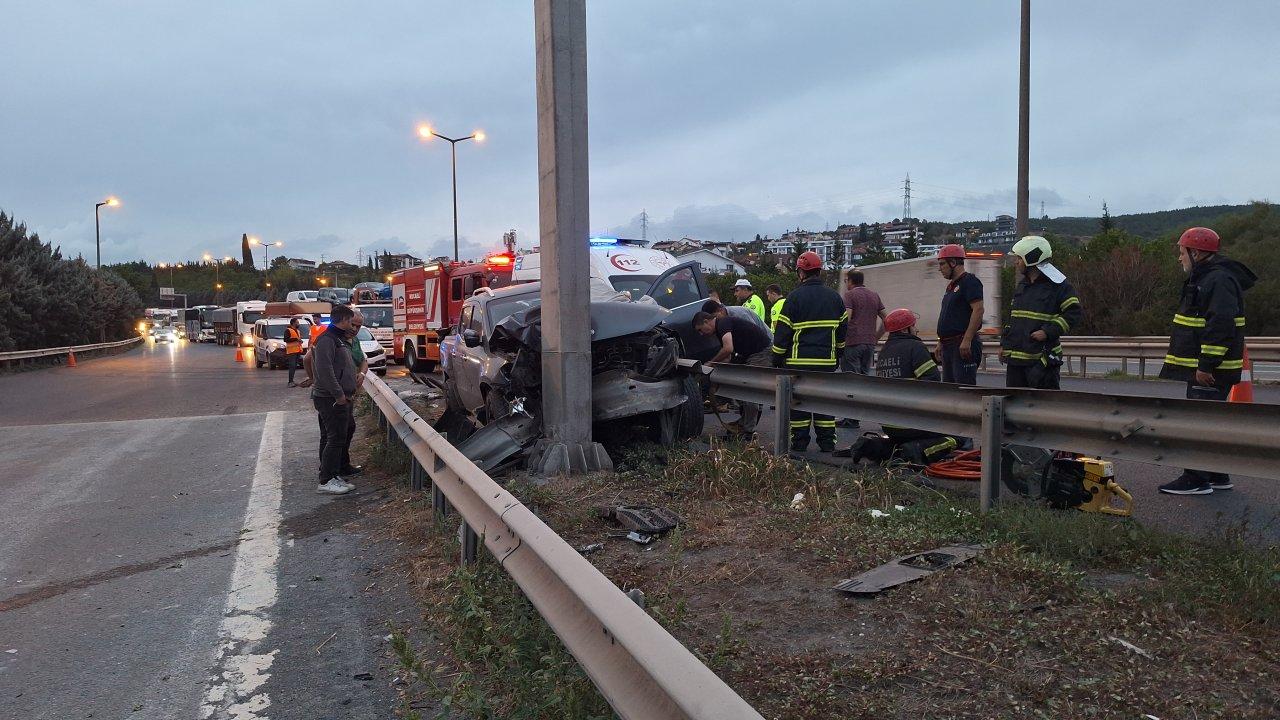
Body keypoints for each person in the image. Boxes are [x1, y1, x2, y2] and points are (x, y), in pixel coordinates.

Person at [1157, 227, 1256, 495]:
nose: (1180, 258)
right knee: (1209, 420)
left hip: (1211, 370)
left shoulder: (1217, 280)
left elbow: (1220, 325)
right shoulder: (1208, 278)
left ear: (1196, 252)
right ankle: (1216, 474)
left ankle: (1196, 478)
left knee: (1198, 421)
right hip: (1209, 367)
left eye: (1182, 252)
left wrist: (1205, 365)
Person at [836, 308, 960, 463]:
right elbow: (933, 382)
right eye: (913, 326)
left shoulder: (884, 352)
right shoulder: (916, 347)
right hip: (913, 421)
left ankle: (871, 446)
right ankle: (918, 451)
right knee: (957, 437)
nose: (916, 329)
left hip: (890, 424)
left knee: (900, 443)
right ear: (905, 329)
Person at [771, 251, 847, 452]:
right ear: (819, 271)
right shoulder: (835, 298)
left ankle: (800, 443)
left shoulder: (794, 298)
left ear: (801, 272)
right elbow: (842, 332)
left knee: (799, 403)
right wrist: (838, 354)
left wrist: (777, 358)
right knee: (824, 403)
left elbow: (782, 333)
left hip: (798, 363)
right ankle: (827, 444)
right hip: (826, 363)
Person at [1001, 236, 1082, 390]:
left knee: (1043, 408)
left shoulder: (1059, 286)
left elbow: (1074, 314)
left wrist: (1047, 332)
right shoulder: (1023, 285)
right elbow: (1013, 319)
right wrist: (1004, 345)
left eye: (1019, 258)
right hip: (1016, 362)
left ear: (1031, 259)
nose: (1016, 262)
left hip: (1042, 362)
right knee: (1015, 409)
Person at [694, 310, 773, 436]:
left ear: (706, 321)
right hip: (750, 354)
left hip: (761, 353)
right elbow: (728, 357)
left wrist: (711, 362)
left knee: (749, 389)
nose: (701, 334)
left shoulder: (722, 323)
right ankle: (744, 423)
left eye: (700, 329)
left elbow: (728, 348)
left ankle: (748, 430)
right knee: (738, 384)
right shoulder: (721, 329)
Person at [309, 304, 358, 495]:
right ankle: (326, 479)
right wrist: (338, 394)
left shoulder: (336, 338)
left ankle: (332, 473)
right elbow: (325, 370)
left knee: (333, 437)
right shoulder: (327, 340)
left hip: (336, 397)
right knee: (335, 438)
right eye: (350, 322)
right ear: (344, 320)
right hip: (331, 398)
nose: (352, 326)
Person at [839, 269, 887, 428]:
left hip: (853, 343)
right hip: (869, 343)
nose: (846, 284)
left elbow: (847, 318)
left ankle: (851, 419)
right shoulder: (874, 295)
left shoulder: (850, 295)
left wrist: (841, 340)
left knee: (851, 381)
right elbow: (886, 318)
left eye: (846, 281)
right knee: (864, 379)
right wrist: (876, 336)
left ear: (851, 281)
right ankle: (859, 415)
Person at [934, 244, 984, 384]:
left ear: (953, 262)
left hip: (961, 344)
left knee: (963, 389)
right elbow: (949, 317)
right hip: (948, 345)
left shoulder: (970, 282)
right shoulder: (951, 287)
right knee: (950, 391)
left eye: (942, 264)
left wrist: (967, 340)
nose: (940, 268)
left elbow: (978, 309)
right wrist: (940, 342)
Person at [701, 299, 769, 338]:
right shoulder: (724, 321)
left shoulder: (739, 314)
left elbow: (755, 334)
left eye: (714, 317)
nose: (714, 321)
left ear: (720, 310)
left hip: (767, 343)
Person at [284, 317, 304, 387]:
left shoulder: (297, 331)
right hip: (291, 351)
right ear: (293, 323)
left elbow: (298, 339)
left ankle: (292, 381)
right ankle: (290, 382)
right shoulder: (288, 330)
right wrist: (296, 339)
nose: (298, 323)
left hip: (297, 350)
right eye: (297, 322)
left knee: (294, 366)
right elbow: (286, 339)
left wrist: (300, 341)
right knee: (292, 366)